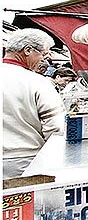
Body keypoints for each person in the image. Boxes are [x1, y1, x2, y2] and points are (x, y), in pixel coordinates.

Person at [2, 29, 65, 178]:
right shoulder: (37, 82)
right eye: (44, 54)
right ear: (28, 50)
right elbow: (56, 128)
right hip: (25, 162)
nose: (45, 60)